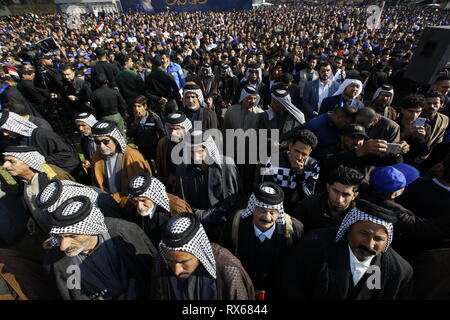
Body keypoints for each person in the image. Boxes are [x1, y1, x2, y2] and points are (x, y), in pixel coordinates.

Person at [281, 199, 414, 300]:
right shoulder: (314, 246)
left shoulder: (399, 272)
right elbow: (289, 285)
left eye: (378, 239)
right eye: (363, 233)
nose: (369, 244)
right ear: (349, 227)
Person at [43, 191, 156, 300]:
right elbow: (73, 294)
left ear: (92, 230)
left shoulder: (125, 232)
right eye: (60, 237)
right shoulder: (59, 263)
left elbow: (151, 272)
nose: (63, 246)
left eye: (72, 236)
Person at [222, 182, 303, 299]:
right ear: (252, 207)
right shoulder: (236, 224)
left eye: (272, 212)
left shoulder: (293, 230)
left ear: (279, 212)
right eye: (261, 210)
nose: (267, 217)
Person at [150, 213, 255, 300]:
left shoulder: (228, 269)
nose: (177, 271)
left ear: (199, 252)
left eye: (183, 262)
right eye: (171, 261)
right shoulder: (162, 262)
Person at [0, 110, 82, 177]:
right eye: (2, 131)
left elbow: (66, 153)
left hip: (66, 174)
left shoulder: (42, 134)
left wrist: (41, 162)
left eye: (6, 130)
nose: (5, 134)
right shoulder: (15, 141)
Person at [175, 130, 240, 212]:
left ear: (209, 148)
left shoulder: (227, 166)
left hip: (221, 218)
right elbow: (184, 201)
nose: (196, 157)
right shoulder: (182, 169)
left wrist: (214, 216)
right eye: (192, 152)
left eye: (200, 151)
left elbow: (231, 198)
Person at [90, 120, 152, 207]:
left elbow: (142, 189)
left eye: (106, 141)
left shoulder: (132, 156)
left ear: (116, 139)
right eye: (98, 142)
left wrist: (117, 198)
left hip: (132, 204)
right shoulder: (97, 157)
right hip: (108, 203)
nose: (102, 146)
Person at [261, 129, 320, 213]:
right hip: (273, 208)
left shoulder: (313, 165)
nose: (299, 157)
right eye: (296, 151)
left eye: (304, 154)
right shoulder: (273, 161)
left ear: (310, 152)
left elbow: (308, 198)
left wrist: (299, 173)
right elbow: (265, 191)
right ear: (290, 146)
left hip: (298, 211)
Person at [126, 173, 192, 247]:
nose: (139, 207)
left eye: (143, 200)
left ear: (153, 196)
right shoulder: (132, 209)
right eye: (135, 201)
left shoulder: (176, 208)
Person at [295, 165, 364, 235]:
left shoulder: (358, 218)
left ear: (354, 196)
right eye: (336, 191)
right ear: (328, 188)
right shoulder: (309, 204)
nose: (339, 199)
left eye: (345, 195)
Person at [156, 111, 192, 190]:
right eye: (170, 129)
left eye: (177, 129)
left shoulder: (192, 143)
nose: (173, 133)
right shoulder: (164, 143)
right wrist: (171, 173)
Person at [127, 95, 165, 164]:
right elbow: (129, 134)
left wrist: (159, 146)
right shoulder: (131, 119)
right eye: (134, 106)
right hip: (141, 149)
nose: (136, 109)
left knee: (159, 166)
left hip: (154, 148)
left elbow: (162, 133)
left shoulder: (154, 118)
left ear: (145, 106)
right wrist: (135, 123)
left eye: (139, 106)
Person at [396, 94, 431, 166]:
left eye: (418, 112)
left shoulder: (426, 127)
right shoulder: (394, 124)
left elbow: (424, 152)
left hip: (409, 164)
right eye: (411, 111)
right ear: (403, 110)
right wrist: (404, 135)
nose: (414, 115)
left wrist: (421, 139)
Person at [144, 55, 180, 122]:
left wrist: (159, 99)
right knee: (174, 122)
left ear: (152, 64)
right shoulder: (167, 75)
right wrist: (168, 98)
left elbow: (147, 93)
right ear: (161, 63)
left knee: (163, 124)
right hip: (170, 102)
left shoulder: (149, 77)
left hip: (159, 104)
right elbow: (176, 89)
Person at [91, 73, 128, 138]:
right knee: (121, 135)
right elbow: (123, 104)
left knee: (109, 136)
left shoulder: (94, 94)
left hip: (104, 118)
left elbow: (93, 109)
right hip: (117, 116)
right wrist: (122, 114)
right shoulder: (114, 91)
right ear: (107, 81)